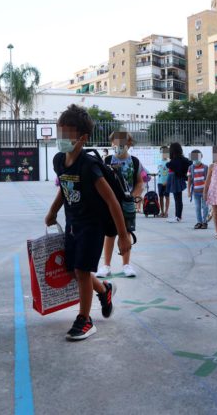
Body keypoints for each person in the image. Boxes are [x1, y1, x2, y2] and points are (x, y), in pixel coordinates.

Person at [45, 105, 130, 341]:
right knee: (73, 269)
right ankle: (104, 291)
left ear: (82, 138)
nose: (61, 139)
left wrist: (123, 235)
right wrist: (53, 211)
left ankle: (85, 319)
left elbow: (112, 201)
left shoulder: (89, 165)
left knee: (82, 270)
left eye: (66, 134)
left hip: (93, 225)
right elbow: (65, 187)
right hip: (72, 223)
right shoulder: (59, 160)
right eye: (59, 132)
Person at [96, 131, 143, 279]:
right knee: (109, 234)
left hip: (127, 204)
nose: (117, 146)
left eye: (122, 143)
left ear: (129, 144)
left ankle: (126, 265)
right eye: (115, 143)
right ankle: (106, 265)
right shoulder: (107, 160)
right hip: (109, 203)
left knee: (127, 232)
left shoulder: (135, 162)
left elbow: (140, 182)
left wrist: (134, 195)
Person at [166, 142, 191, 223]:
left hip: (175, 179)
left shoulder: (175, 160)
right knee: (178, 198)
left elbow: (169, 165)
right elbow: (189, 163)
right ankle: (178, 216)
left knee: (177, 199)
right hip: (177, 179)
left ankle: (178, 216)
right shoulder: (182, 159)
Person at [187, 150, 209, 230]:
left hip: (204, 192)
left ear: (201, 156)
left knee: (205, 207)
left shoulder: (206, 167)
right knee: (197, 207)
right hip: (195, 192)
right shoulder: (190, 168)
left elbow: (207, 180)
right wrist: (189, 191)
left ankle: (205, 222)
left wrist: (207, 191)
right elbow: (189, 180)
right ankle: (199, 222)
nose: (196, 159)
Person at [156, 146, 171, 218]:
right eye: (162, 152)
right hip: (160, 182)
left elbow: (170, 173)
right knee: (160, 197)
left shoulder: (169, 162)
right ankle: (161, 212)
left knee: (167, 197)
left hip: (167, 182)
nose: (164, 153)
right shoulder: (158, 161)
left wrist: (167, 181)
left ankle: (166, 212)